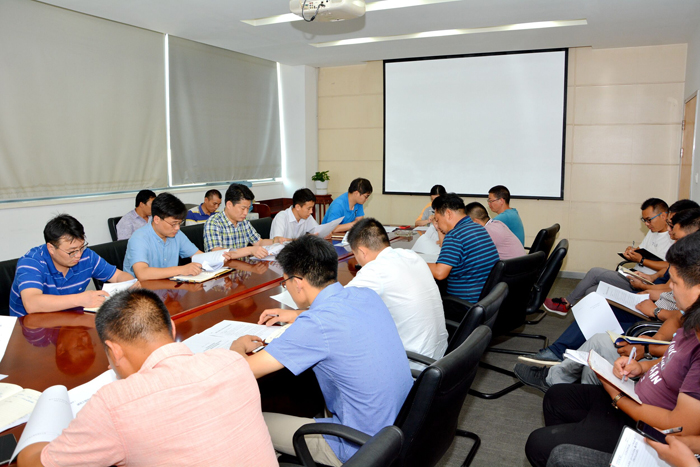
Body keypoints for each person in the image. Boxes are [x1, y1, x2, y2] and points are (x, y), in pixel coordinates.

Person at [16, 288, 277, 467]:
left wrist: (39, 428)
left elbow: (35, 463)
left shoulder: (114, 403)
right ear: (172, 328)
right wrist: (235, 348)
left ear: (114, 351)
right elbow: (233, 359)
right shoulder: (232, 363)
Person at [231, 235, 412, 466]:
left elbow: (243, 370)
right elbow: (335, 318)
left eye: (285, 282)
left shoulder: (315, 325)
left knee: (252, 420)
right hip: (400, 425)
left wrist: (237, 346)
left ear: (298, 282)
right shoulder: (366, 294)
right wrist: (298, 314)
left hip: (361, 447)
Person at [524, 231, 700, 467]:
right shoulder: (692, 320)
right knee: (556, 397)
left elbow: (677, 426)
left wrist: (617, 396)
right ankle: (577, 439)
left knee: (540, 444)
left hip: (646, 424)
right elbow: (673, 360)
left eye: (675, 284)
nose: (671, 290)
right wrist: (641, 367)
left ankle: (577, 447)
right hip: (639, 397)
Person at [522, 208, 700, 365]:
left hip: (653, 315)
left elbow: (681, 316)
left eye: (676, 236)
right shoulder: (686, 264)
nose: (672, 238)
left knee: (598, 308)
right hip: (652, 307)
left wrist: (655, 310)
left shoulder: (692, 270)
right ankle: (562, 354)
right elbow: (671, 296)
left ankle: (562, 355)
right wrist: (650, 291)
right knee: (596, 301)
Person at [544, 197, 675, 316]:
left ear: (663, 216)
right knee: (592, 290)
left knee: (594, 273)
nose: (646, 224)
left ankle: (566, 303)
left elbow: (668, 266)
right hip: (635, 274)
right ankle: (579, 313)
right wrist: (633, 252)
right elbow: (644, 252)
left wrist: (641, 260)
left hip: (645, 281)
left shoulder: (672, 238)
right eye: (644, 220)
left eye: (649, 220)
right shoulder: (653, 232)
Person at [345, 218, 449, 365]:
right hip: (442, 356)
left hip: (414, 364)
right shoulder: (411, 255)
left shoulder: (376, 269)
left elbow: (335, 303)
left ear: (362, 251)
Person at [9, 215, 134, 317]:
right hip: (31, 331)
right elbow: (32, 304)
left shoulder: (87, 256)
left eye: (81, 247)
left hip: (69, 322)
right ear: (51, 248)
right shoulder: (31, 262)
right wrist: (80, 299)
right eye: (72, 251)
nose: (78, 255)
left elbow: (118, 276)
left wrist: (130, 284)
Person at [428, 193, 500, 303]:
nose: (437, 225)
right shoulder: (478, 228)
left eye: (437, 220)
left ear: (448, 214)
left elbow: (439, 273)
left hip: (464, 303)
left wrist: (416, 261)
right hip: (487, 300)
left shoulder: (455, 235)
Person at [123, 192, 203, 280]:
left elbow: (199, 255)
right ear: (157, 219)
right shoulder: (139, 238)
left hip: (169, 285)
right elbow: (142, 274)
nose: (177, 228)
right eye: (173, 224)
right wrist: (181, 269)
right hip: (142, 287)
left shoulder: (177, 234)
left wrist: (214, 258)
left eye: (180, 223)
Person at [203, 183, 287, 258]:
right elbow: (217, 253)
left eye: (248, 208)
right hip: (223, 269)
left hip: (242, 268)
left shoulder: (244, 222)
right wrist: (249, 250)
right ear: (229, 205)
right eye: (243, 208)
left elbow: (259, 242)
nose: (246, 213)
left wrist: (275, 241)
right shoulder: (214, 222)